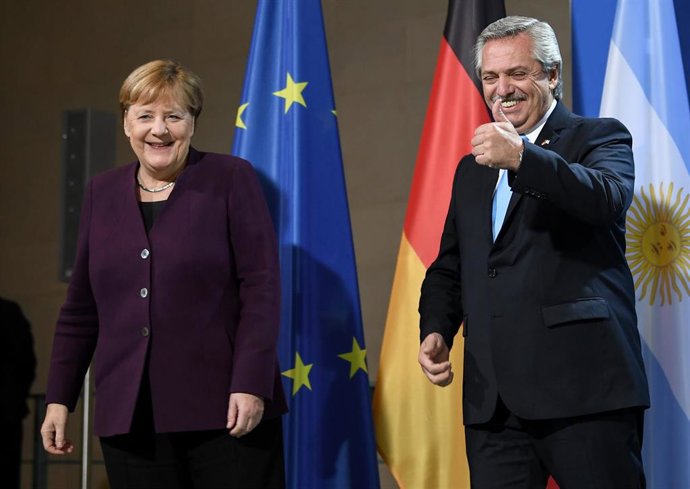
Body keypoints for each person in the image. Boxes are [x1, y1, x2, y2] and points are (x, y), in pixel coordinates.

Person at [418, 16, 650, 489]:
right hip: (494, 404)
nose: (502, 89)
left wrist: (524, 159)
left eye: (518, 73)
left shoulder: (599, 136)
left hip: (583, 391)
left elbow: (604, 198)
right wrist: (436, 327)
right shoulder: (472, 169)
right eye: (490, 77)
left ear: (552, 75)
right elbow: (453, 265)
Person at [41, 59, 287, 489]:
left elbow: (260, 290)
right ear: (126, 125)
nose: (159, 129)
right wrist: (60, 399)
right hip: (131, 420)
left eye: (174, 116)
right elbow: (80, 308)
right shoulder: (102, 193)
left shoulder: (231, 178)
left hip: (226, 413)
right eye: (145, 116)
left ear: (192, 123)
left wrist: (251, 383)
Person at [0, 297, 36, 489]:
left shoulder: (8, 312)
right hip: (7, 414)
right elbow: (26, 365)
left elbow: (25, 365)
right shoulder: (9, 311)